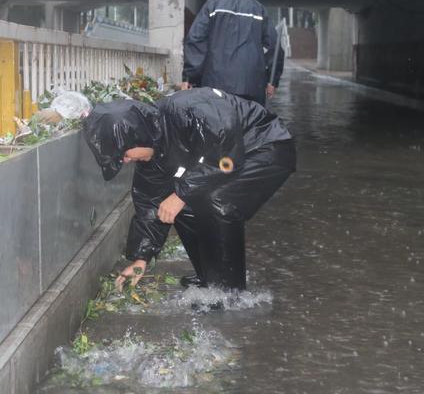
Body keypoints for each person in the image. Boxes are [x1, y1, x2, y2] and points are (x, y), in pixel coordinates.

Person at [83, 87, 295, 294]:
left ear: (138, 135)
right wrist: (141, 260)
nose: (126, 161)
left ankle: (229, 293)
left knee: (218, 201)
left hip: (266, 146)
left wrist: (181, 194)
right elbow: (150, 206)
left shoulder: (189, 109)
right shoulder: (151, 156)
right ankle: (210, 278)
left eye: (124, 154)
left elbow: (227, 159)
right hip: (231, 160)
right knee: (179, 206)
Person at [182, 0, 283, 106]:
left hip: (216, 83)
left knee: (218, 123)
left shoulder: (212, 6)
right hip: (252, 84)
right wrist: (272, 80)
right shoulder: (257, 8)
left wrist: (189, 77)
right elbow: (275, 46)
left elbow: (195, 41)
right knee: (250, 124)